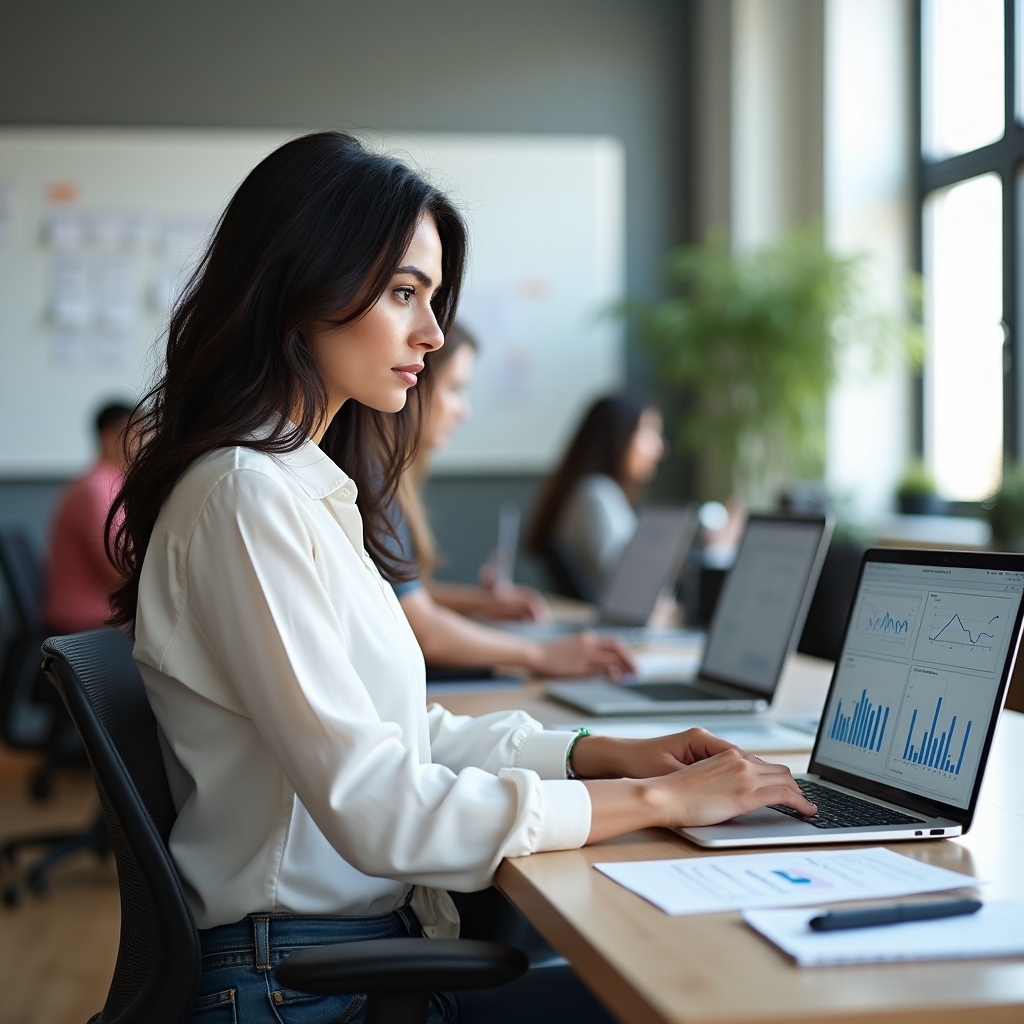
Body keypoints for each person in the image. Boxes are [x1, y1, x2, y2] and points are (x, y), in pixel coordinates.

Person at [108, 131, 815, 1024]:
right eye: (405, 293)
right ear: (302, 287)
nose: (432, 334)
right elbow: (381, 806)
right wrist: (656, 799)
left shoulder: (291, 488)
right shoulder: (247, 499)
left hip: (331, 956)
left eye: (432, 298)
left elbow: (397, 735)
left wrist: (597, 754)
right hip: (298, 985)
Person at [393, 324, 635, 678]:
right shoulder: (371, 482)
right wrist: (539, 654)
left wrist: (485, 603)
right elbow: (423, 627)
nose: (465, 411)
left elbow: (407, 595)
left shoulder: (396, 479)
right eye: (456, 389)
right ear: (414, 384)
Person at [526, 395, 665, 598]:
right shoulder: (596, 494)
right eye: (649, 434)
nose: (659, 448)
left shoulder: (601, 493)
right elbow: (624, 583)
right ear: (618, 435)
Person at [43, 401, 133, 633]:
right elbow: (120, 575)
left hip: (100, 619)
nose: (145, 442)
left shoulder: (103, 483)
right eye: (137, 433)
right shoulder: (96, 489)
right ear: (111, 437)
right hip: (87, 624)